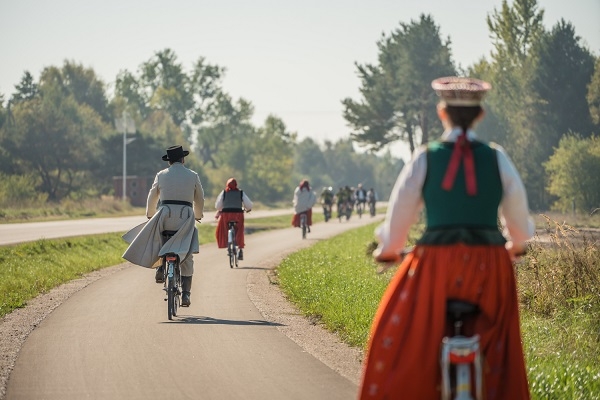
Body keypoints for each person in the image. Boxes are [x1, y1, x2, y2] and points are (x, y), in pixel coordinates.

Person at [358, 77, 534, 399]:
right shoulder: (497, 157)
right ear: (480, 115)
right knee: (499, 349)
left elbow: (399, 217)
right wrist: (517, 245)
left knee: (402, 339)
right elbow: (519, 224)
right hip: (490, 267)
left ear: (442, 113)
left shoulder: (425, 156)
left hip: (434, 267)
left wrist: (389, 250)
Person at [123, 145, 205, 307]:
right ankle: (186, 294)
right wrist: (197, 215)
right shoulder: (192, 175)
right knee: (187, 253)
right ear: (183, 159)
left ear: (169, 162)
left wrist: (150, 214)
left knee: (156, 236)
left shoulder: (161, 175)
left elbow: (152, 196)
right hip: (185, 216)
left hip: (165, 215)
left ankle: (160, 266)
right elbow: (200, 198)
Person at [214, 178, 253, 260]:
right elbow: (248, 205)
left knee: (223, 229)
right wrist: (248, 209)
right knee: (240, 231)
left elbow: (218, 206)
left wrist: (220, 210)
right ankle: (240, 248)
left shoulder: (224, 192)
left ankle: (226, 243)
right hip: (238, 215)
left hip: (226, 215)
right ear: (236, 185)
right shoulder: (241, 192)